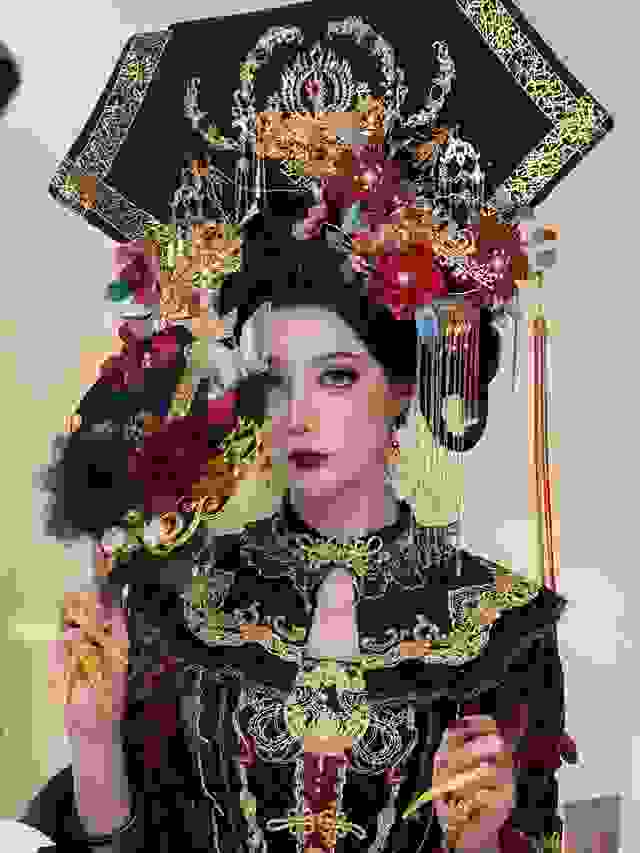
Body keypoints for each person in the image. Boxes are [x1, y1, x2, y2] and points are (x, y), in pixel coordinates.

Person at [25, 227, 578, 853]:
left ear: (400, 389)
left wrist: (477, 839)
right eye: (274, 380)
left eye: (336, 377)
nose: (298, 416)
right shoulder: (178, 599)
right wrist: (93, 738)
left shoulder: (505, 627)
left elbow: (534, 833)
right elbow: (129, 836)